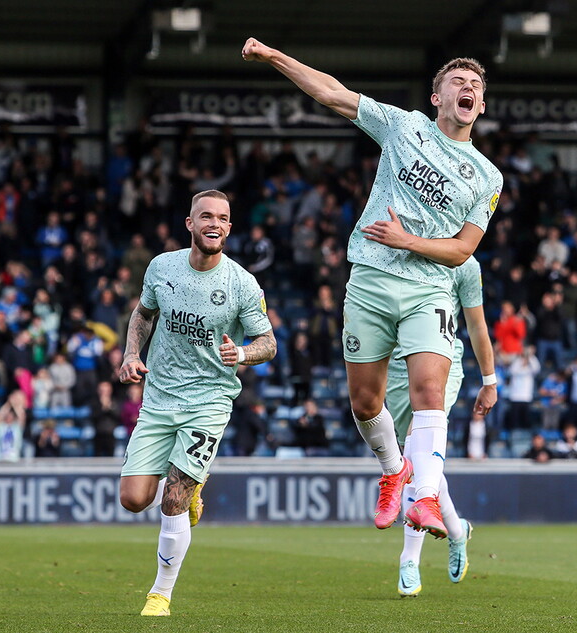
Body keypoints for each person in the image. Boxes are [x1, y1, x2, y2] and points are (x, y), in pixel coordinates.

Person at [243, 38, 502, 536]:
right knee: (364, 402)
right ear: (438, 98)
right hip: (370, 278)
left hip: (428, 288)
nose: (467, 88)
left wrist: (408, 240)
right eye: (457, 82)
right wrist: (274, 56)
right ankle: (393, 470)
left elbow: (463, 250)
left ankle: (424, 497)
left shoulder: (488, 177)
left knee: (430, 391)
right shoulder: (404, 126)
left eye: (475, 85)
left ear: (481, 105)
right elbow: (332, 93)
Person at [117, 190, 276, 617]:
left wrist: (241, 353)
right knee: (133, 498)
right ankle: (193, 486)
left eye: (222, 218)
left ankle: (160, 595)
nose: (214, 224)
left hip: (208, 400)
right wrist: (131, 353)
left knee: (172, 499)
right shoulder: (161, 267)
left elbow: (268, 342)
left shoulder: (241, 283)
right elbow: (143, 314)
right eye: (206, 216)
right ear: (190, 223)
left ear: (229, 228)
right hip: (159, 397)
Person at [384, 256, 496, 597]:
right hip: (397, 369)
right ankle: (457, 530)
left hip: (441, 365)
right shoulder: (393, 250)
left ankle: (409, 560)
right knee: (419, 465)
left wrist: (489, 380)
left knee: (414, 458)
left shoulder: (465, 264)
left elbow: (476, 324)